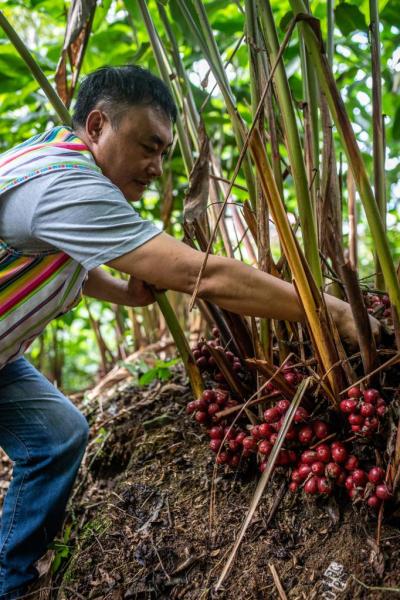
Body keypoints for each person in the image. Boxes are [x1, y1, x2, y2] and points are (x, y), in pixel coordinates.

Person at [0, 65, 378, 598]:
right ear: (98, 124)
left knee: (57, 435)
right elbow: (203, 275)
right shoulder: (67, 185)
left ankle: (9, 583)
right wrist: (332, 312)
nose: (156, 168)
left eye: (164, 153)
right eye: (147, 146)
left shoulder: (48, 156)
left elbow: (50, 259)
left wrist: (126, 293)